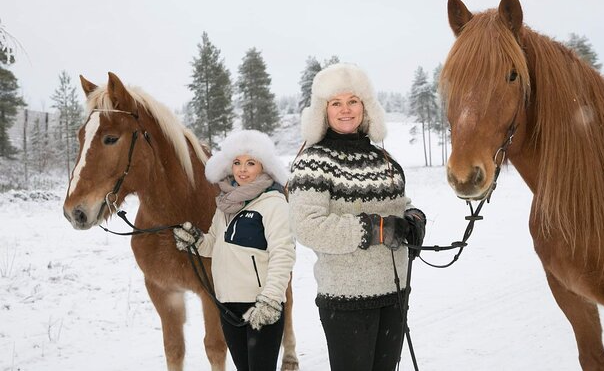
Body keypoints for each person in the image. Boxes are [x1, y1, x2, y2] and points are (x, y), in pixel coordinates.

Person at [287, 63, 426, 371]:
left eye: (353, 101)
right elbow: (308, 227)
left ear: (366, 107)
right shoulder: (312, 162)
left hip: (394, 293)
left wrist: (414, 219)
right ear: (323, 110)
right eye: (336, 103)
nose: (345, 110)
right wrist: (377, 229)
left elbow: (401, 206)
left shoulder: (385, 160)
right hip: (346, 300)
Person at [173, 130, 295, 371]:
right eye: (237, 163)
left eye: (251, 163)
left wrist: (270, 300)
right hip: (229, 305)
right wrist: (195, 240)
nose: (242, 169)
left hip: (261, 305)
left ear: (264, 166)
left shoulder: (273, 203)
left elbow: (283, 254)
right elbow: (213, 245)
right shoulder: (226, 205)